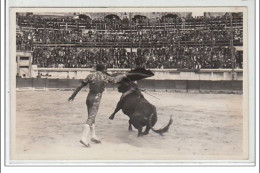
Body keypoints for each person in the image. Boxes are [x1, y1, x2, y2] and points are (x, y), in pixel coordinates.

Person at [68, 64, 126, 147]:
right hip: (96, 98)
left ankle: (93, 136)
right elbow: (115, 80)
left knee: (91, 116)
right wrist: (123, 75)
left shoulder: (90, 75)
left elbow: (80, 86)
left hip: (89, 97)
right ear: (103, 69)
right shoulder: (105, 76)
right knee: (91, 118)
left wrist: (73, 95)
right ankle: (83, 138)